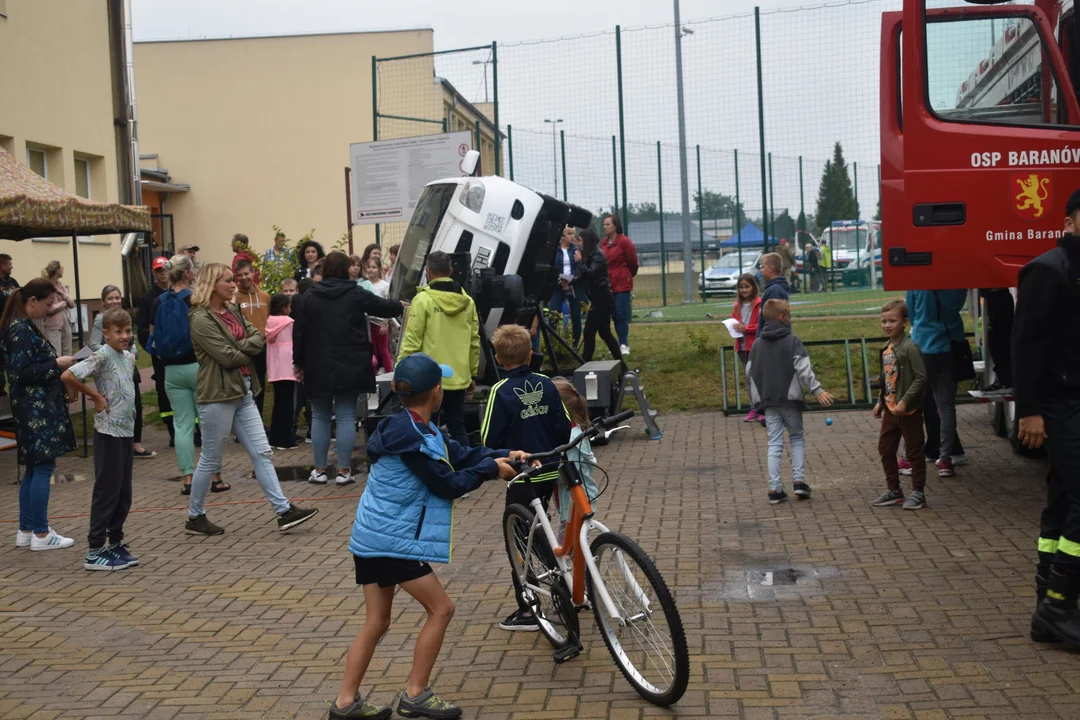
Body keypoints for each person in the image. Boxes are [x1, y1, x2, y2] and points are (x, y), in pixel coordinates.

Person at [331, 352, 522, 720]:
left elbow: (459, 454)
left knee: (377, 621)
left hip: (371, 539)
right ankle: (415, 695)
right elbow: (448, 484)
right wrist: (489, 470)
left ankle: (345, 703)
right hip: (392, 543)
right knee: (442, 608)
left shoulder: (410, 426)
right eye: (442, 385)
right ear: (436, 392)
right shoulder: (413, 440)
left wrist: (503, 455)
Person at [184, 263, 318, 537]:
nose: (234, 285)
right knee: (210, 459)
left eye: (233, 280)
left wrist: (243, 347)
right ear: (212, 285)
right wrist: (246, 348)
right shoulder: (200, 318)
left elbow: (257, 335)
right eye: (227, 281)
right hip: (217, 395)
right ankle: (195, 516)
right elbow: (227, 356)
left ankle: (284, 511)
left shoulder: (232, 310)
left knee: (262, 452)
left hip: (243, 389)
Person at [1015, 190, 1080, 646]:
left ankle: (1047, 606)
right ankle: (1059, 603)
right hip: (1057, 403)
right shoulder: (1048, 269)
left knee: (1063, 499)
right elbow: (1026, 347)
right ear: (1071, 221)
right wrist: (1031, 411)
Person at [480, 324, 571, 632]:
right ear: (531, 354)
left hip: (523, 475)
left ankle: (529, 609)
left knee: (518, 538)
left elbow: (488, 438)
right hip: (551, 467)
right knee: (540, 526)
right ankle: (562, 587)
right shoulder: (546, 382)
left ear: (496, 357)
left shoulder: (498, 391)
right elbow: (564, 425)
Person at [294, 251, 403, 485]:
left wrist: (298, 362)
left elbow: (299, 332)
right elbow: (383, 307)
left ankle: (320, 470)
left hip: (317, 362)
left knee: (320, 416)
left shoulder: (309, 296)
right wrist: (400, 304)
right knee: (346, 416)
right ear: (346, 270)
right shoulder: (355, 292)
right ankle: (344, 471)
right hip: (350, 361)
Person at [62, 309, 141, 570]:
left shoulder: (128, 358)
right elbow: (69, 375)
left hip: (125, 432)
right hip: (107, 431)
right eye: (118, 332)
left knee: (123, 492)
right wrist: (95, 396)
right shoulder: (102, 354)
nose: (124, 336)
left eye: (127, 331)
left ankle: (115, 542)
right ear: (105, 333)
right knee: (107, 490)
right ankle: (94, 550)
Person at [1, 278, 77, 551]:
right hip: (37, 410)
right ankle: (42, 534)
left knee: (33, 468)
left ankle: (26, 530)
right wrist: (55, 364)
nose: (49, 309)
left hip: (31, 409)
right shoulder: (21, 329)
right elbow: (20, 374)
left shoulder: (17, 326)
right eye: (47, 305)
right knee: (43, 468)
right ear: (32, 302)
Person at [747, 299, 834, 504]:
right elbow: (803, 369)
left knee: (774, 444)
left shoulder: (757, 345)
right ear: (781, 317)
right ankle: (798, 482)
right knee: (796, 438)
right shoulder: (792, 340)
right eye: (789, 314)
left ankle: (775, 489)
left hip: (768, 402)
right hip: (790, 400)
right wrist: (817, 390)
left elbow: (749, 373)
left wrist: (756, 400)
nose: (790, 318)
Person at [151, 255, 224, 495]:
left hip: (171, 370)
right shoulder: (196, 300)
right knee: (208, 423)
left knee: (182, 425)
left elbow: (152, 337)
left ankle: (188, 479)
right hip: (198, 366)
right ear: (186, 274)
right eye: (192, 269)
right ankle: (214, 477)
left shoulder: (160, 300)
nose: (194, 272)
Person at [398, 251, 479, 448]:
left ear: (428, 271)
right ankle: (465, 467)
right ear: (450, 271)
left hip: (428, 377)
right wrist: (472, 373)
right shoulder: (467, 301)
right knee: (457, 425)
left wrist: (401, 371)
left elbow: (412, 340)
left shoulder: (422, 300)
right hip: (458, 376)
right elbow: (474, 341)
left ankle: (431, 466)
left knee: (426, 425)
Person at [870, 299, 928, 510]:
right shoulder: (886, 349)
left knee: (914, 452)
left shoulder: (909, 348)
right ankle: (894, 490)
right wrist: (880, 402)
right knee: (885, 450)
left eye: (892, 321)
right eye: (884, 321)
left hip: (908, 411)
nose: (887, 325)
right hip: (890, 410)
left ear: (904, 322)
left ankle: (918, 493)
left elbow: (921, 378)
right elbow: (887, 380)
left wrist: (905, 401)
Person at [905, 288, 968, 478]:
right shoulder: (957, 281)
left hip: (923, 345)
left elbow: (912, 314)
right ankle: (946, 459)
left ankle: (909, 457)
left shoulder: (917, 282)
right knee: (946, 406)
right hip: (950, 345)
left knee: (913, 403)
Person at [91, 285, 154, 459]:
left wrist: (130, 353)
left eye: (117, 297)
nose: (115, 301)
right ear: (103, 301)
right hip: (111, 369)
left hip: (128, 367)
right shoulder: (101, 319)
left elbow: (132, 343)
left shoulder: (124, 316)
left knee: (135, 405)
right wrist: (113, 351)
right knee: (114, 405)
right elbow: (94, 343)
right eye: (110, 298)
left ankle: (136, 444)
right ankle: (114, 444)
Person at [552, 377, 598, 542]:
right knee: (571, 544)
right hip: (577, 502)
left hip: (576, 504)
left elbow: (564, 473)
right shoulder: (576, 432)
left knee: (570, 546)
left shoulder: (569, 439)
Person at [138, 256, 175, 445]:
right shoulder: (148, 298)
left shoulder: (179, 293)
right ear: (154, 273)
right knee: (163, 390)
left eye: (165, 269)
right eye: (159, 270)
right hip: (160, 356)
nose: (162, 273)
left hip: (180, 354)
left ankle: (194, 430)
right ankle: (171, 430)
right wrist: (154, 349)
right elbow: (143, 329)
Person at [577, 228, 624, 365]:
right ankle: (622, 365)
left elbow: (591, 273)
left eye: (580, 241)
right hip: (599, 298)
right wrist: (569, 281)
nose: (578, 244)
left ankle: (584, 363)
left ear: (587, 241)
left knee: (589, 332)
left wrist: (579, 262)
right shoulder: (590, 255)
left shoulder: (597, 255)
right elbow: (584, 277)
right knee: (605, 333)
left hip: (602, 299)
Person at [234, 259, 270, 414]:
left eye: (246, 273)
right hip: (243, 347)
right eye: (240, 275)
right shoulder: (235, 297)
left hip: (262, 347)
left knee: (260, 385)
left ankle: (259, 421)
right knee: (243, 385)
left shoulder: (265, 296)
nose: (244, 277)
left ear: (253, 273)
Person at [601, 214, 638, 356]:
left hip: (622, 282)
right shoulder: (604, 243)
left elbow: (633, 263)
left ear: (615, 226)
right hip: (608, 282)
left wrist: (627, 275)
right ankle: (617, 344)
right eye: (604, 224)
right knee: (613, 314)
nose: (605, 227)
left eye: (608, 224)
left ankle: (624, 343)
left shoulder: (625, 242)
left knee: (620, 313)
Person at [265, 293, 299, 450]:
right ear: (284, 308)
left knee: (278, 403)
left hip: (275, 367)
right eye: (289, 305)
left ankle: (275, 437)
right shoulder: (289, 322)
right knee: (287, 405)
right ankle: (285, 439)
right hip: (287, 367)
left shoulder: (269, 322)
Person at [731, 273, 762, 423]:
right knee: (749, 379)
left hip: (755, 346)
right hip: (741, 347)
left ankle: (763, 408)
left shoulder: (759, 303)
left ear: (753, 287)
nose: (744, 290)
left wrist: (746, 328)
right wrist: (733, 327)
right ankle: (753, 408)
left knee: (759, 378)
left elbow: (761, 326)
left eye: (747, 287)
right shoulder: (737, 306)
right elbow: (734, 322)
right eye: (741, 287)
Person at [548, 225, 582, 348]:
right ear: (562, 236)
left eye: (573, 234)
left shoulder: (576, 250)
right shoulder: (554, 250)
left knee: (576, 316)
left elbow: (580, 268)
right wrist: (558, 280)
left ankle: (575, 345)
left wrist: (572, 280)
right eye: (569, 234)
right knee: (553, 315)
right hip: (558, 286)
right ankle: (552, 345)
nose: (572, 236)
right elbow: (551, 268)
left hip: (574, 286)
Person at [979, 288, 1014, 397]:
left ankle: (1005, 381)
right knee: (996, 342)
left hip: (997, 297)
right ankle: (1004, 379)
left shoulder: (1000, 297)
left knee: (1000, 343)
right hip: (995, 297)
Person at [365, 258, 394, 375]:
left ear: (379, 269)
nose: (371, 270)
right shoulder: (365, 284)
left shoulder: (384, 285)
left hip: (380, 322)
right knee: (372, 350)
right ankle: (374, 374)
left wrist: (385, 323)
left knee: (383, 350)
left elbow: (388, 305)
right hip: (368, 321)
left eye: (374, 267)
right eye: (369, 267)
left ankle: (389, 372)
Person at [41, 261, 74, 357]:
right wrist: (63, 303)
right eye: (61, 268)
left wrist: (62, 293)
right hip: (53, 326)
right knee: (56, 354)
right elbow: (48, 309)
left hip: (65, 323)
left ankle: (67, 372)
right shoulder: (46, 286)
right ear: (57, 270)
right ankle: (57, 372)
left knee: (68, 353)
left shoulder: (60, 285)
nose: (63, 270)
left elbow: (71, 304)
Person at [755, 253, 790, 341]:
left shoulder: (774, 290)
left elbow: (774, 320)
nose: (760, 270)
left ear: (771, 269)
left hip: (772, 341)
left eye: (762, 267)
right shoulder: (773, 288)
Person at [0, 253, 20, 318]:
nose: (12, 267)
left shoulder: (13, 282)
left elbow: (20, 297)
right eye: (10, 264)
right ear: (2, 266)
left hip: (10, 320)